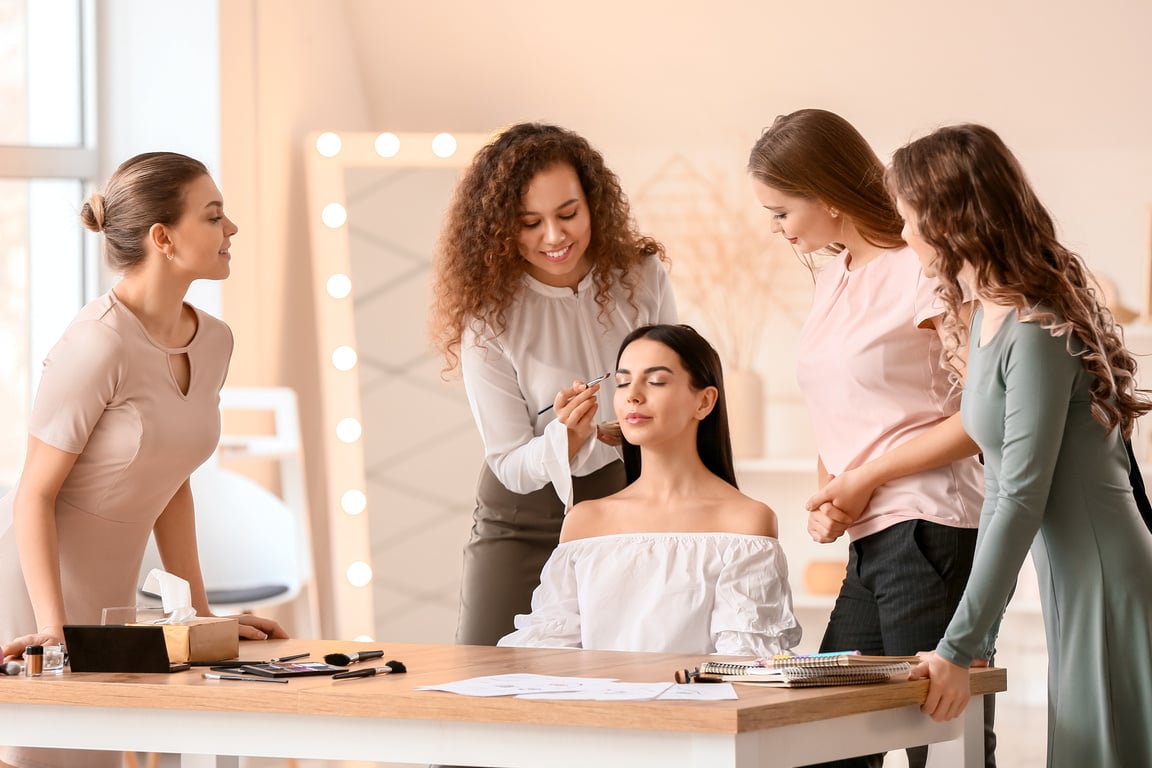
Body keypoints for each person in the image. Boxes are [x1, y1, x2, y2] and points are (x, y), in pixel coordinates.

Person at [0, 152, 287, 768]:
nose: (231, 229)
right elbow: (33, 495)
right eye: (213, 216)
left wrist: (201, 620)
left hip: (110, 608)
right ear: (163, 238)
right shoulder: (95, 344)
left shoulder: (214, 340)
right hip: (33, 599)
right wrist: (54, 631)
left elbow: (171, 482)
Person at [888, 123, 1152, 767]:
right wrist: (976, 636)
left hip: (1106, 578)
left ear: (949, 218)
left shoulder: (1036, 328)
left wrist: (959, 646)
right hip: (1067, 575)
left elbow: (1020, 495)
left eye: (909, 218)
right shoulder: (987, 317)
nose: (904, 235)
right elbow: (1005, 487)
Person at [746, 109, 993, 768]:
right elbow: (838, 406)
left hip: (930, 527)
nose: (777, 229)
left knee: (937, 745)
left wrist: (863, 480)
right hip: (871, 538)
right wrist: (832, 493)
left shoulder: (920, 268)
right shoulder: (834, 278)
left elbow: (980, 418)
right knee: (830, 740)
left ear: (827, 196)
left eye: (780, 211)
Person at [430, 122, 678, 647]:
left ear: (593, 203)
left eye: (568, 214)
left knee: (622, 675)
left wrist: (636, 423)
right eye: (529, 222)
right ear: (500, 227)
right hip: (520, 518)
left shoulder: (641, 275)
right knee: (484, 670)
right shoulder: (488, 314)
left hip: (624, 502)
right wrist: (562, 441)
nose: (554, 237)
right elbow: (509, 462)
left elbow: (678, 390)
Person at [499, 324, 801, 655]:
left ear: (704, 402)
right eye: (623, 382)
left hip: (696, 705)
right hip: (594, 705)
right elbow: (547, 653)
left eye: (656, 381)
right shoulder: (585, 521)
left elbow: (743, 666)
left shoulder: (745, 522)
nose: (633, 395)